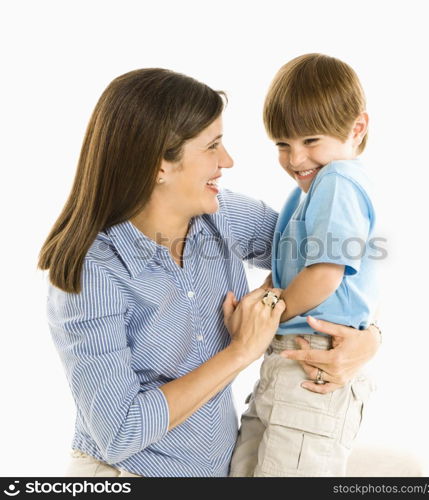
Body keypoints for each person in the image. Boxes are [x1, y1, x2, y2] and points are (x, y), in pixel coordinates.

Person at [37, 68, 381, 477]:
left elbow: (326, 262)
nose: (228, 161)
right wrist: (242, 350)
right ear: (158, 166)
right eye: (213, 146)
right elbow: (119, 432)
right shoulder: (93, 275)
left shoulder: (219, 214)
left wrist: (367, 339)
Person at [229, 53, 380, 477]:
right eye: (282, 144)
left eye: (310, 140)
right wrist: (261, 297)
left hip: (313, 362)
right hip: (288, 361)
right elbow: (290, 271)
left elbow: (324, 275)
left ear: (357, 128)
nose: (295, 159)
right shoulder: (307, 192)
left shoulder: (338, 180)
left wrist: (264, 311)